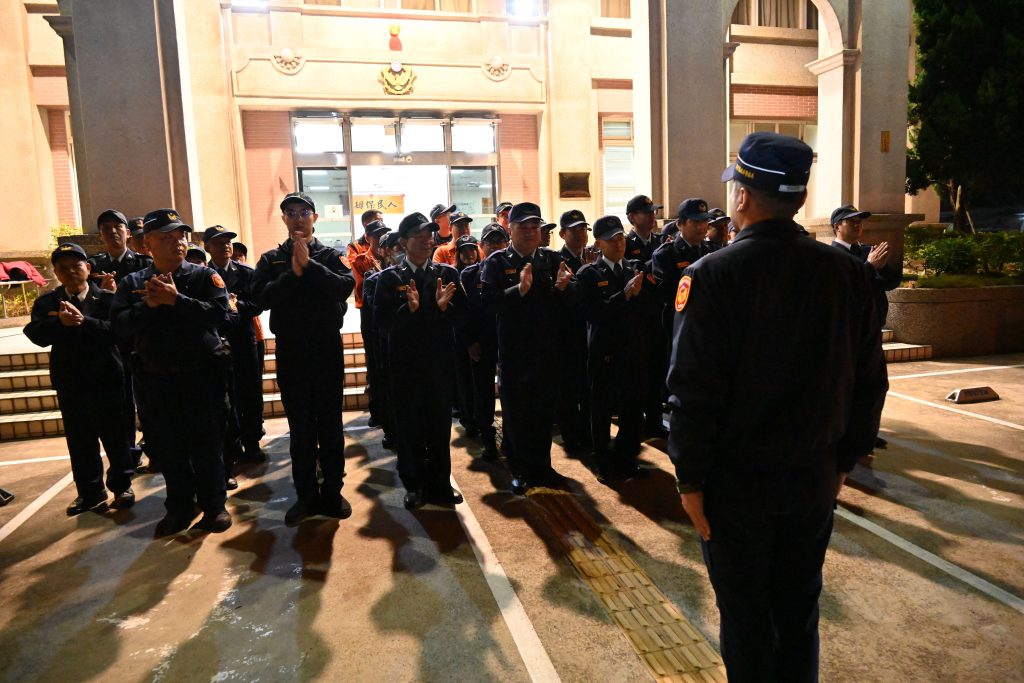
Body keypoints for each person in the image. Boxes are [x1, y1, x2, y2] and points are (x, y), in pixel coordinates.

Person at [668, 132, 888, 681]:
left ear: (743, 196)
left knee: (746, 619)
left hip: (735, 486)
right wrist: (845, 459)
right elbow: (869, 380)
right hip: (813, 477)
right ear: (800, 198)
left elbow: (693, 390)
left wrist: (689, 479)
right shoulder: (848, 272)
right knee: (797, 613)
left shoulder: (711, 275)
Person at [110, 208, 232, 536]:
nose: (177, 243)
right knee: (169, 448)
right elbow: (119, 326)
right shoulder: (132, 283)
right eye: (166, 237)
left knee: (207, 445)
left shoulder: (204, 277)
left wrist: (178, 300)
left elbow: (220, 315)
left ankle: (214, 506)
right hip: (156, 380)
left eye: (181, 236)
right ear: (147, 244)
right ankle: (179, 507)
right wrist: (149, 306)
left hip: (201, 378)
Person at [251, 192, 355, 525]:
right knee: (301, 429)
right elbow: (259, 298)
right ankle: (306, 496)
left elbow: (344, 287)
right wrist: (292, 273)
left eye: (304, 212)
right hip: (292, 352)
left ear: (314, 217)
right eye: (291, 213)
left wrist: (309, 266)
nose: (298, 218)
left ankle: (333, 492)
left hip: (326, 350)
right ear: (283, 219)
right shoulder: (271, 259)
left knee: (330, 425)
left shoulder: (331, 255)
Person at [25, 243, 135, 516]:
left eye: (76, 266)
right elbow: (36, 334)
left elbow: (120, 332)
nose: (71, 272)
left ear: (88, 268)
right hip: (71, 382)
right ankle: (90, 492)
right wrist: (58, 324)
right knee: (79, 440)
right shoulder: (47, 303)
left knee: (115, 436)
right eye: (63, 268)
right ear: (56, 273)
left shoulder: (108, 299)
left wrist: (85, 321)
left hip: (107, 379)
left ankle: (122, 486)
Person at [373, 212, 469, 509]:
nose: (428, 241)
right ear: (403, 242)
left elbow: (464, 316)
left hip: (440, 365)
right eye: (420, 236)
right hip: (405, 367)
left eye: (430, 235)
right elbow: (381, 322)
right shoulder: (389, 278)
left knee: (439, 426)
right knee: (410, 427)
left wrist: (445, 308)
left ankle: (440, 484)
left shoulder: (447, 274)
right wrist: (409, 310)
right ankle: (414, 485)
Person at [480, 202, 576, 494]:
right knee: (517, 414)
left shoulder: (553, 259)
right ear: (510, 229)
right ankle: (520, 469)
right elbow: (487, 305)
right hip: (515, 352)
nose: (531, 231)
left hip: (547, 351)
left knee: (543, 413)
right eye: (524, 226)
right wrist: (518, 291)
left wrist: (565, 289)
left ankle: (543, 467)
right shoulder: (497, 263)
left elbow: (572, 305)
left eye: (535, 226)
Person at [575, 216, 653, 481]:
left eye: (621, 238)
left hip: (632, 349)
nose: (618, 244)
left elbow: (647, 309)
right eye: (611, 240)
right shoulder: (589, 274)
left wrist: (638, 296)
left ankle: (627, 457)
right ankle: (602, 460)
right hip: (605, 352)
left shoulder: (633, 268)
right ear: (598, 244)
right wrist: (625, 295)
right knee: (601, 409)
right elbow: (593, 313)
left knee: (633, 407)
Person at [830, 204, 901, 452]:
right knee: (846, 387)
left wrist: (876, 269)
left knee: (874, 386)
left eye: (860, 221)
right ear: (837, 227)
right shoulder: (832, 256)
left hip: (871, 328)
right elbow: (845, 288)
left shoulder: (868, 251)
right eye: (851, 222)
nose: (858, 225)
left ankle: (866, 434)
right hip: (846, 332)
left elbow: (889, 281)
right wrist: (869, 269)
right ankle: (844, 437)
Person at [88, 209, 153, 469]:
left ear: (128, 233)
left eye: (118, 227)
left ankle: (156, 450)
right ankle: (129, 456)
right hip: (110, 346)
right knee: (121, 404)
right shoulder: (92, 266)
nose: (113, 232)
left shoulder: (143, 264)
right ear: (100, 236)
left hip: (139, 342)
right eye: (106, 228)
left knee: (148, 398)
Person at [204, 226, 265, 466]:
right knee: (224, 397)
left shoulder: (246, 272)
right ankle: (231, 447)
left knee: (250, 393)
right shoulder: (202, 274)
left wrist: (236, 305)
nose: (225, 246)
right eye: (219, 243)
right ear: (207, 247)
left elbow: (258, 305)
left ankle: (252, 442)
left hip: (243, 341)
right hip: (216, 343)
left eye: (228, 242)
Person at [460, 224, 507, 460]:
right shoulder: (469, 275)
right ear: (482, 246)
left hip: (509, 341)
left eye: (500, 241)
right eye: (490, 242)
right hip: (481, 342)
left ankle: (510, 440)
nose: (495, 246)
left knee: (510, 393)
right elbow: (464, 312)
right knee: (483, 394)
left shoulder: (515, 270)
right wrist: (470, 341)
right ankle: (488, 441)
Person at [625, 194, 670, 438]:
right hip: (637, 317)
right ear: (632, 217)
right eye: (646, 212)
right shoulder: (625, 242)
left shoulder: (661, 241)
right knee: (637, 374)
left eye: (654, 211)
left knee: (657, 370)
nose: (653, 216)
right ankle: (636, 423)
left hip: (658, 316)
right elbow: (637, 272)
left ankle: (654, 420)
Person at [555, 210, 594, 452]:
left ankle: (587, 434)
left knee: (588, 387)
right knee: (568, 390)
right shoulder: (557, 261)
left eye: (583, 229)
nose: (580, 234)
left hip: (588, 333)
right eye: (574, 230)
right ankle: (571, 437)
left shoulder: (592, 258)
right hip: (566, 334)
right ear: (562, 234)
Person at [652, 198, 713, 335]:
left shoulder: (712, 250)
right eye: (695, 222)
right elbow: (668, 294)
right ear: (680, 224)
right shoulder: (665, 255)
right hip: (680, 325)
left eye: (704, 221)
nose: (701, 227)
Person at [362, 231, 399, 450]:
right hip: (382, 346)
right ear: (384, 251)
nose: (400, 251)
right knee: (386, 391)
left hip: (407, 348)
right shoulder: (373, 278)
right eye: (395, 247)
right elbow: (374, 312)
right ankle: (391, 432)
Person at [352, 219, 390, 430]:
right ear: (367, 237)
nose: (380, 237)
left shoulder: (391, 257)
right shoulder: (361, 260)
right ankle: (377, 411)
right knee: (374, 364)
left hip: (387, 313)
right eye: (376, 234)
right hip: (368, 313)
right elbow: (360, 289)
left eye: (383, 233)